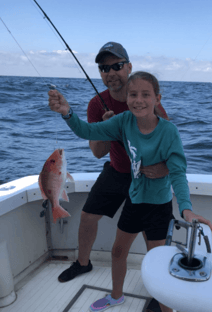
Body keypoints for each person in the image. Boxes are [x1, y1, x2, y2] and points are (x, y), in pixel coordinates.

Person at [48, 71, 212, 312]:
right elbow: (87, 131)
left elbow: (178, 173)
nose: (139, 100)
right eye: (133, 94)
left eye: (146, 95)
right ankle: (116, 296)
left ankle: (165, 306)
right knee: (117, 252)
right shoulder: (123, 121)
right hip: (135, 202)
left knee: (158, 263)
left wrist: (186, 209)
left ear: (157, 98)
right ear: (126, 98)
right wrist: (67, 112)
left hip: (158, 207)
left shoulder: (169, 132)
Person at [57, 42, 171, 285]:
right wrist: (107, 129)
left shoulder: (144, 98)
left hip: (147, 177)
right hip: (117, 170)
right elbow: (98, 153)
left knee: (150, 233)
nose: (110, 73)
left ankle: (160, 285)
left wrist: (164, 169)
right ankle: (83, 263)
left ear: (129, 67)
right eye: (104, 68)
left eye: (117, 66)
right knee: (87, 217)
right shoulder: (96, 105)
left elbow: (168, 143)